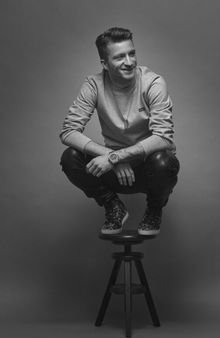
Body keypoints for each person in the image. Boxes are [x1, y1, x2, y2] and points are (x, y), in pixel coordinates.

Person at [59, 27, 180, 236]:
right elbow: (68, 131)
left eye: (131, 53)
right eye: (119, 57)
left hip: (148, 170)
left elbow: (164, 137)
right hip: (113, 172)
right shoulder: (93, 85)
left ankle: (154, 209)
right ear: (105, 64)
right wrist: (111, 158)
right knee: (70, 158)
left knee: (165, 162)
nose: (129, 61)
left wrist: (116, 156)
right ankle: (113, 206)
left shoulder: (153, 82)